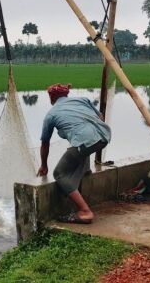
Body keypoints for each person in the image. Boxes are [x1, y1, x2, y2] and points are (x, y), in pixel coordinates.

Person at [37, 83, 111, 224]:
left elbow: (45, 143)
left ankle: (85, 211)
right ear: (66, 95)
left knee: (59, 173)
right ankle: (86, 170)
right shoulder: (82, 100)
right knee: (82, 146)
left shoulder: (51, 115)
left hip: (86, 141)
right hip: (104, 135)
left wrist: (44, 166)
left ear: (51, 99)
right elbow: (100, 117)